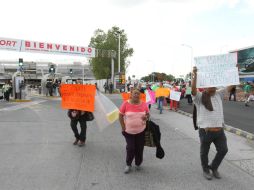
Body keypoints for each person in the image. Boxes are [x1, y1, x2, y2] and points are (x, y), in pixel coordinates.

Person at [191, 66, 234, 180]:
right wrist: (194, 76)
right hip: (205, 131)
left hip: (219, 131)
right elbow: (193, 90)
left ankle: (213, 167)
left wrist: (235, 72)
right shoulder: (199, 97)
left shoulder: (218, 94)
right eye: (210, 86)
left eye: (214, 86)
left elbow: (230, 86)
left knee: (223, 150)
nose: (213, 88)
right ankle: (205, 170)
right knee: (204, 152)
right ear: (205, 87)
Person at [119, 88, 150, 174]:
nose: (136, 95)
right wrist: (123, 126)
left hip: (141, 131)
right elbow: (120, 115)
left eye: (138, 94)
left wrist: (146, 117)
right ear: (131, 94)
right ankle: (128, 164)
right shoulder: (125, 104)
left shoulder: (144, 104)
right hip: (128, 131)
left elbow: (148, 114)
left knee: (139, 148)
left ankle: (138, 163)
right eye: (135, 93)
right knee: (131, 148)